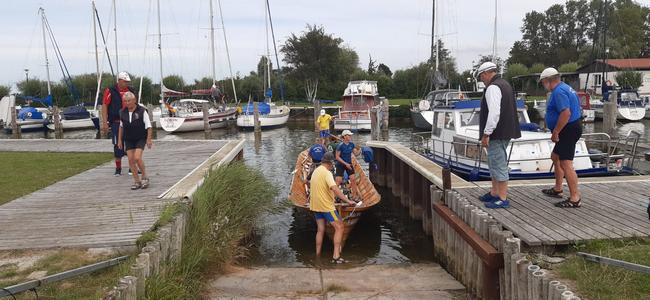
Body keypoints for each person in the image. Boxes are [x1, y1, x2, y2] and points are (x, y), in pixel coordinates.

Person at [476, 62, 522, 209]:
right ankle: (494, 192)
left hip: (497, 133)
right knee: (493, 162)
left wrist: (486, 133)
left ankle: (502, 198)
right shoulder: (505, 84)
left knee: (498, 163)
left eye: (481, 77)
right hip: (505, 130)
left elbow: (494, 113)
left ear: (485, 73)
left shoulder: (493, 88)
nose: (482, 80)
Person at [539, 67, 582, 208]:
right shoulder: (566, 88)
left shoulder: (558, 92)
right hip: (571, 127)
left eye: (543, 82)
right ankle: (558, 188)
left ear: (548, 81)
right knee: (555, 157)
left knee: (566, 163)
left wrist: (556, 131)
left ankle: (575, 198)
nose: (543, 85)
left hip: (567, 129)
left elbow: (566, 113)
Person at [310, 151, 356, 263]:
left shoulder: (316, 171)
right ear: (330, 163)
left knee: (320, 229)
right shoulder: (327, 173)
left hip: (315, 205)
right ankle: (336, 257)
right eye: (332, 164)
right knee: (340, 227)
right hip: (325, 206)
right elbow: (335, 188)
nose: (333, 166)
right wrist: (348, 201)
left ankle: (317, 255)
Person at [101, 71, 136, 176]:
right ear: (119, 81)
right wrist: (105, 122)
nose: (126, 83)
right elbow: (104, 106)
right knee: (117, 144)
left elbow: (135, 105)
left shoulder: (131, 91)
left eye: (127, 82)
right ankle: (118, 168)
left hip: (129, 121)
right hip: (116, 122)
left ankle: (131, 167)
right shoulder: (110, 91)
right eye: (125, 81)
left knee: (131, 143)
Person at [117, 92, 153, 190]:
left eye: (129, 101)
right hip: (128, 138)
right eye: (125, 101)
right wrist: (119, 140)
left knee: (137, 158)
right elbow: (121, 127)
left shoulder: (142, 111)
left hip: (140, 138)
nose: (127, 103)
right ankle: (137, 181)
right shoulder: (122, 112)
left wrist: (149, 139)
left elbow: (149, 126)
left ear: (134, 100)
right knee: (130, 160)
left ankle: (145, 177)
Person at [335, 130, 361, 198]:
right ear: (345, 136)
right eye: (349, 135)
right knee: (338, 181)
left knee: (353, 179)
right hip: (340, 164)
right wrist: (345, 164)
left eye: (350, 135)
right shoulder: (340, 146)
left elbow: (356, 154)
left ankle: (354, 196)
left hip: (349, 164)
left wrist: (360, 150)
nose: (350, 136)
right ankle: (333, 196)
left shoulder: (351, 144)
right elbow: (337, 157)